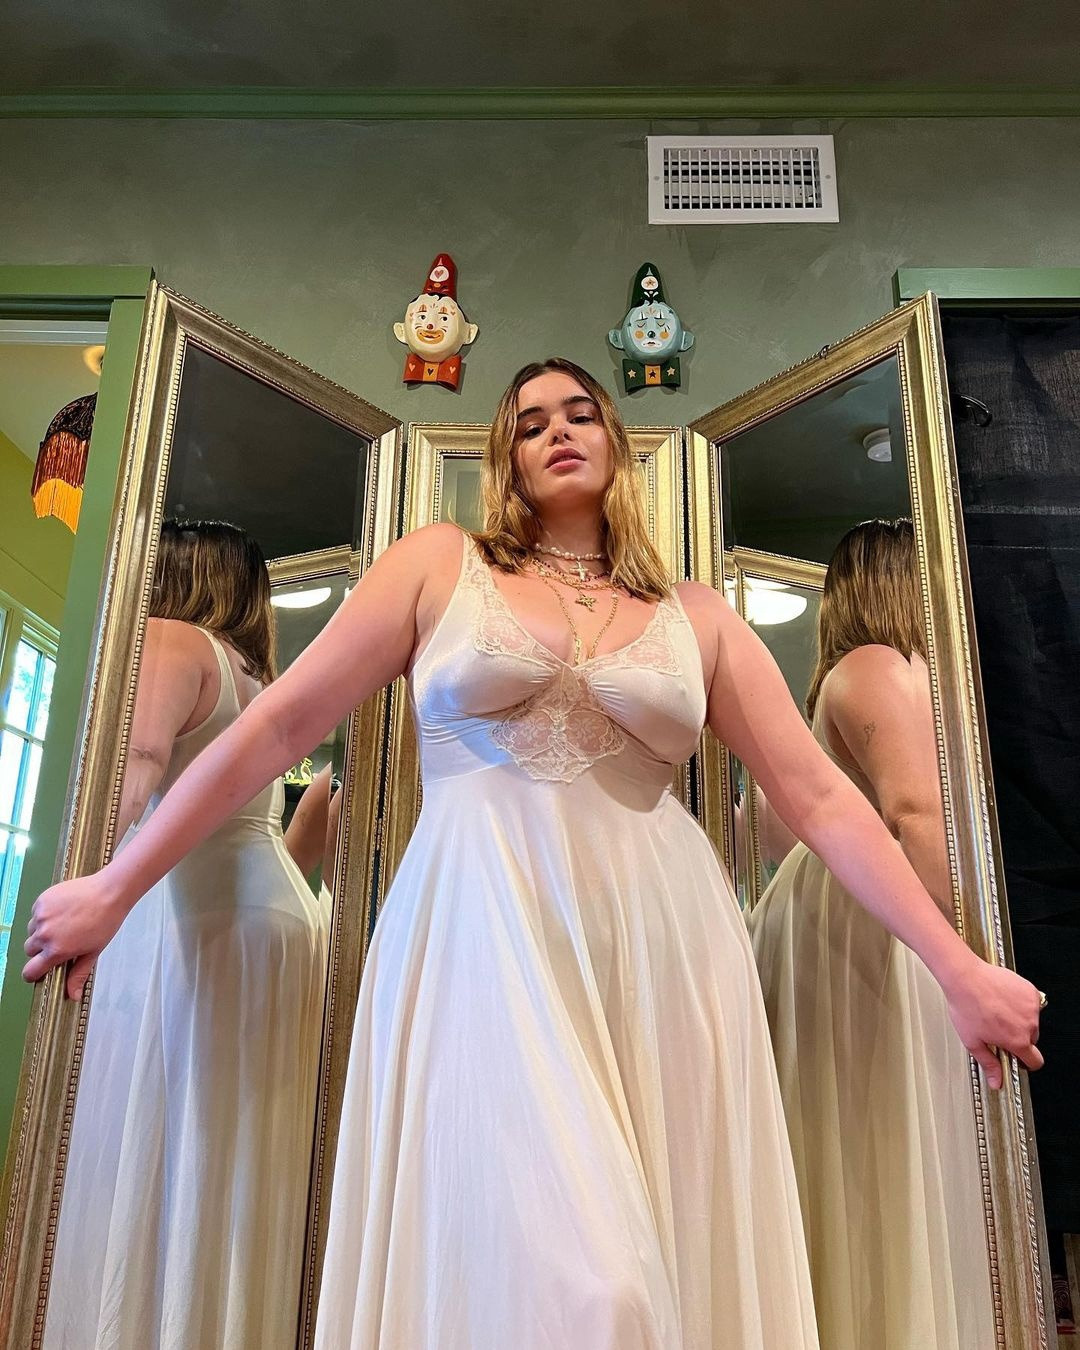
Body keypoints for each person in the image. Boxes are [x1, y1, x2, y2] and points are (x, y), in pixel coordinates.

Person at [26, 363, 1042, 1350]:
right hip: (483, 934)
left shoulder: (697, 614)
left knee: (660, 1259)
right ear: (505, 459)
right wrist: (117, 885)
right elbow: (280, 726)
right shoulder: (438, 565)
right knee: (586, 1283)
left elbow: (819, 799)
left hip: (661, 953)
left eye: (580, 413)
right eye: (528, 422)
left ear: (617, 445)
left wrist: (957, 966)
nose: (557, 429)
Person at [42, 520, 328, 1350]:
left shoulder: (174, 640)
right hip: (270, 914)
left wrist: (88, 883)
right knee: (235, 1155)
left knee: (174, 1142)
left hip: (201, 914)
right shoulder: (255, 679)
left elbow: (135, 762)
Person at [749, 518, 998, 1349]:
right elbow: (917, 813)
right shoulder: (878, 670)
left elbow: (774, 838)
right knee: (879, 1146)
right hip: (876, 924)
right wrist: (970, 955)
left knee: (858, 1147)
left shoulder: (841, 683)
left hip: (838, 917)